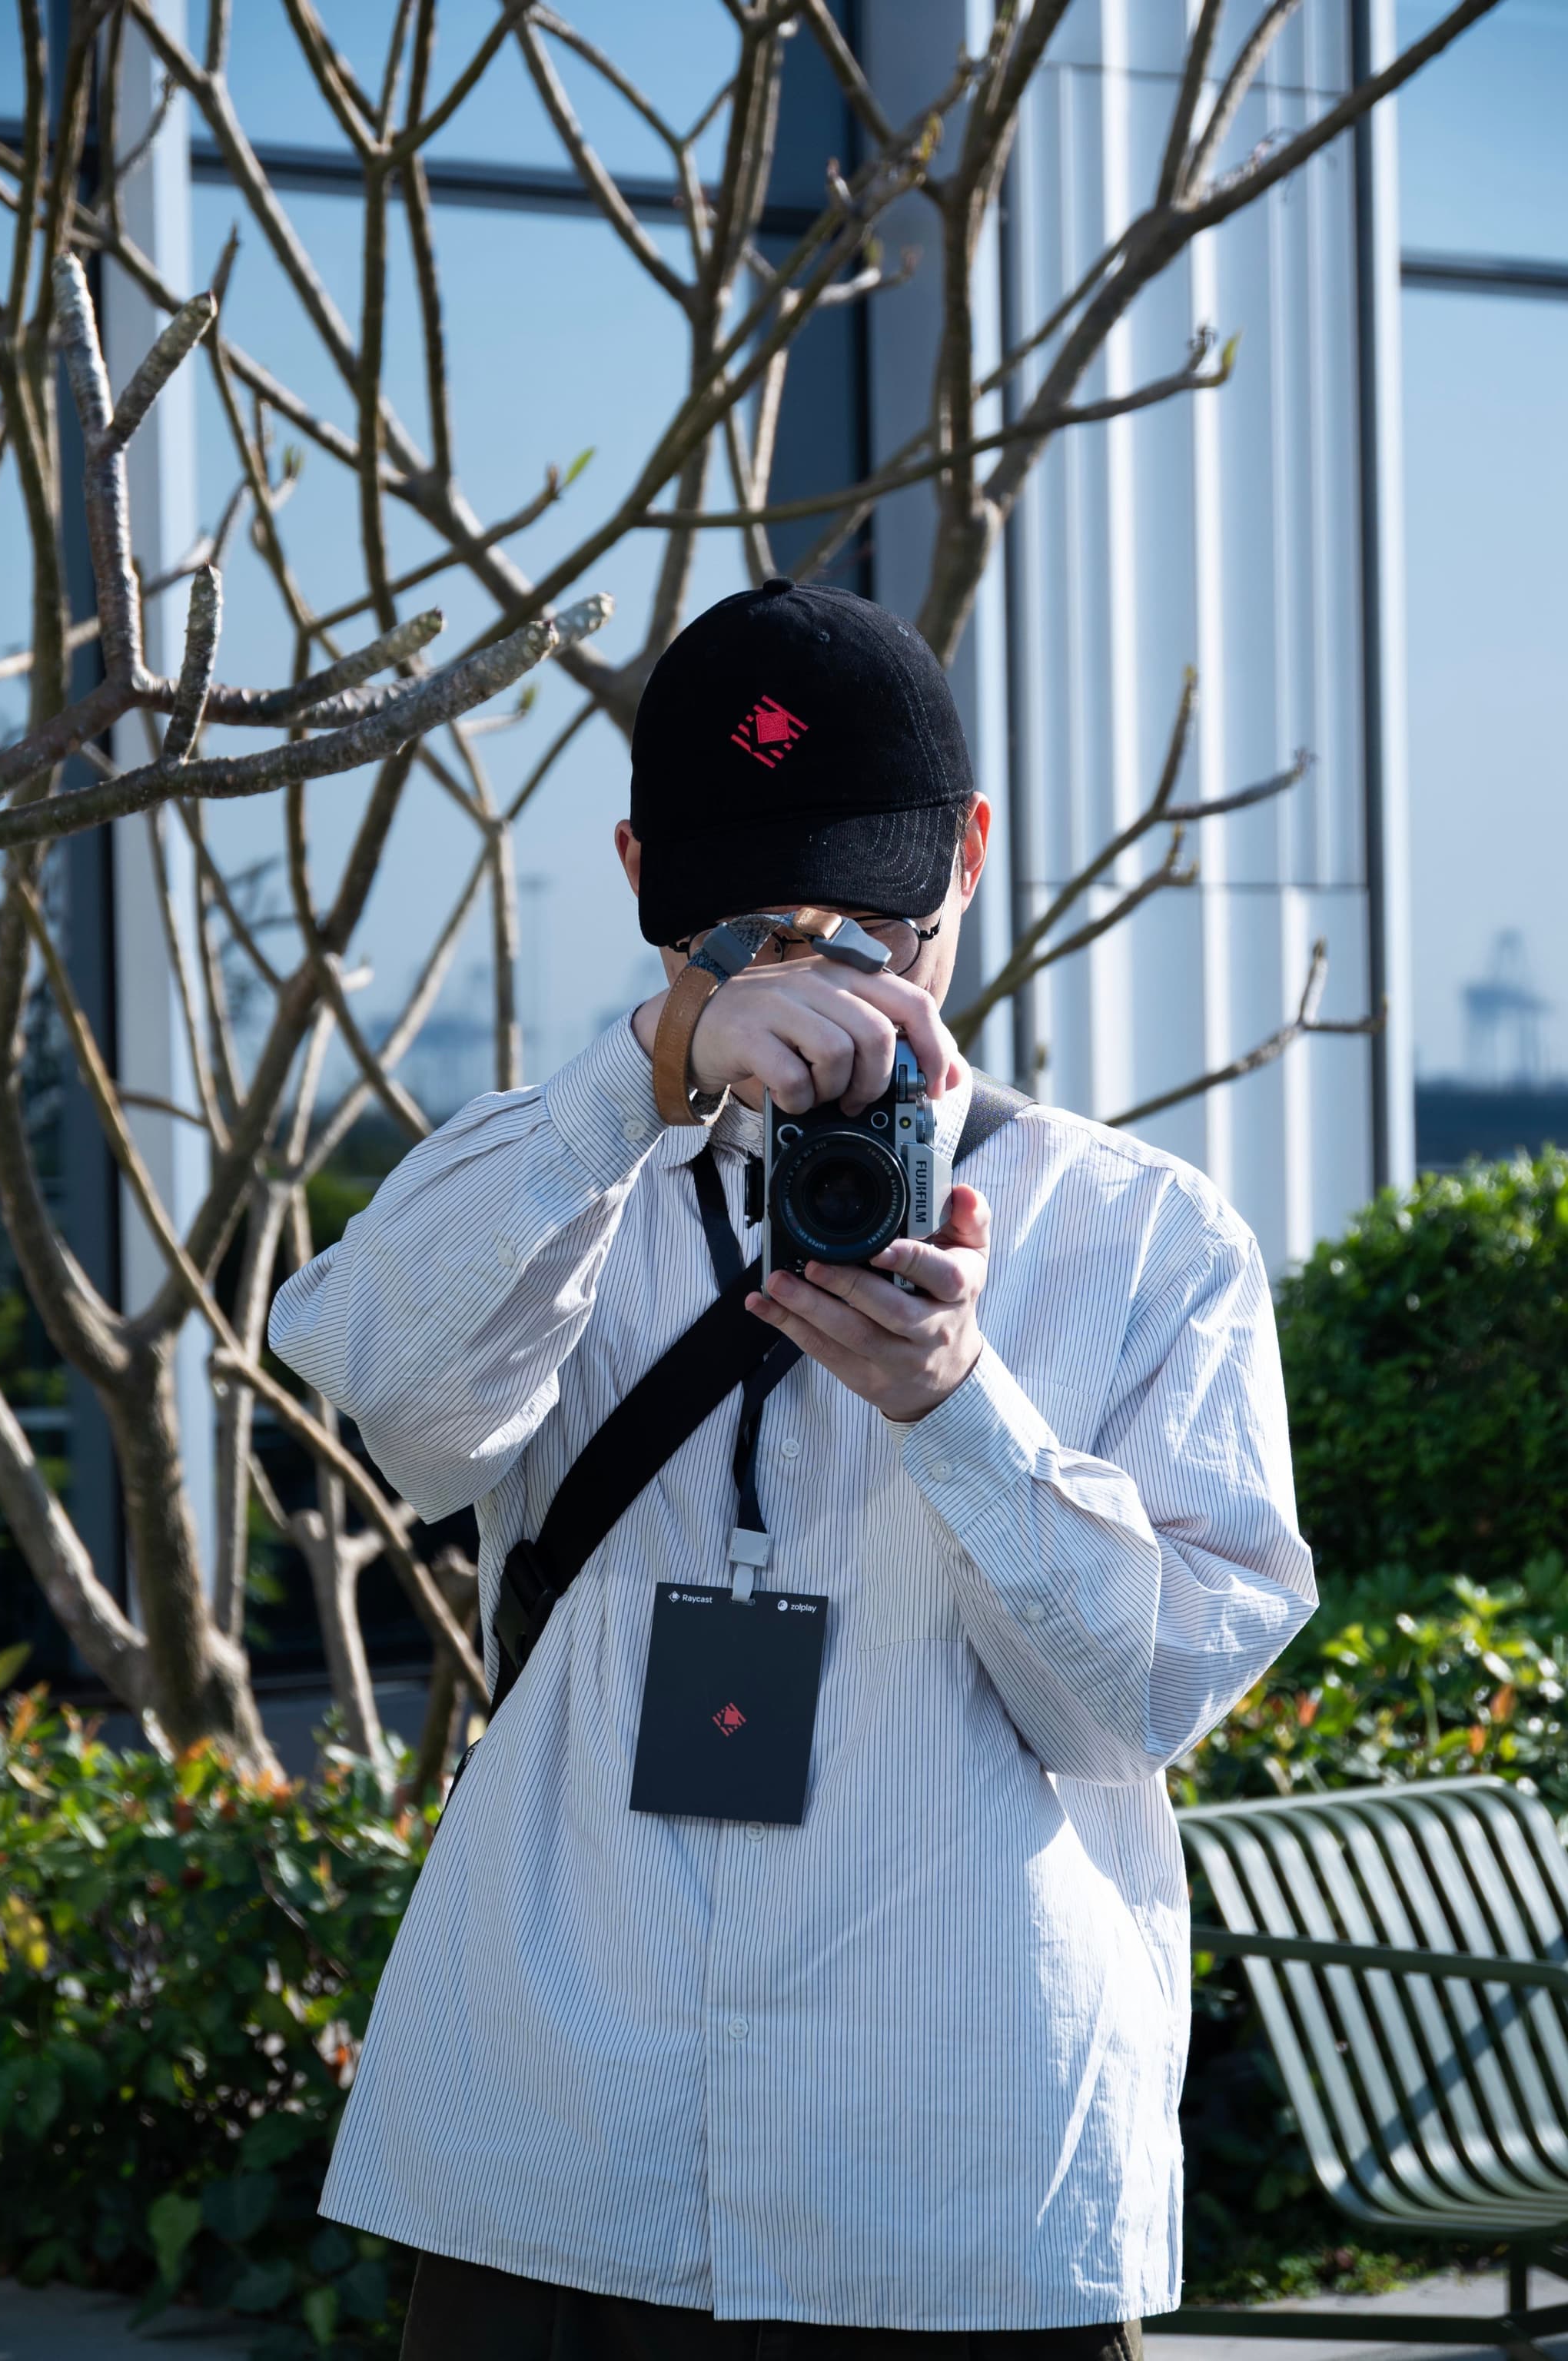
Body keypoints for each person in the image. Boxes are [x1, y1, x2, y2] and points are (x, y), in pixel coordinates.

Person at [268, 578, 1316, 2360]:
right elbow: (393, 1401)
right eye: (748, 933)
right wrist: (644, 1078)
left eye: (869, 926)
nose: (819, 989)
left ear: (968, 858)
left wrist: (961, 1409)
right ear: (640, 883)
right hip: (561, 2139)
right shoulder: (560, 1186)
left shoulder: (1140, 1235)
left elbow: (1150, 1695)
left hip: (955, 2163)